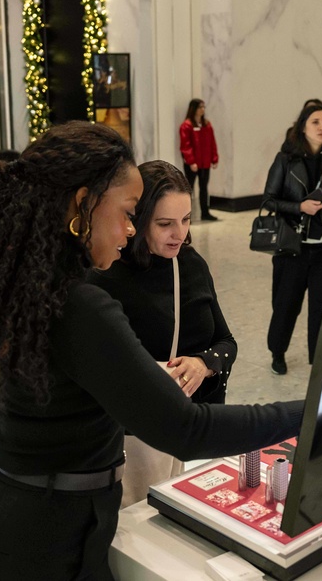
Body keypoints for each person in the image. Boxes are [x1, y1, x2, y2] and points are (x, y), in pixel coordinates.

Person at [0, 122, 301, 580]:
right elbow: (186, 428)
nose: (131, 229)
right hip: (38, 544)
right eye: (129, 212)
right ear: (82, 203)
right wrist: (311, 411)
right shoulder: (80, 305)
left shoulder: (19, 286)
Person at [91, 160, 236, 507]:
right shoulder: (106, 274)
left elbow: (226, 342)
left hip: (180, 429)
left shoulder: (190, 265)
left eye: (186, 220)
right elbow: (97, 366)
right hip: (128, 439)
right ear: (137, 221)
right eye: (165, 223)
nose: (180, 234)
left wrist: (203, 364)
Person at [262, 103, 322, 375]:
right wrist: (299, 207)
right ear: (302, 126)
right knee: (286, 306)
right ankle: (278, 351)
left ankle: (319, 360)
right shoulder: (286, 159)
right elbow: (269, 200)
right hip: (292, 248)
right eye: (315, 122)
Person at [178, 98, 219, 221]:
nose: (202, 109)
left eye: (203, 107)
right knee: (189, 189)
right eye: (200, 107)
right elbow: (185, 145)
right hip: (193, 164)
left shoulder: (207, 124)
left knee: (204, 188)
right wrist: (191, 161)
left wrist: (214, 158)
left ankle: (205, 212)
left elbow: (212, 142)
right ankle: (186, 216)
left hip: (205, 163)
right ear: (194, 109)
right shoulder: (186, 126)